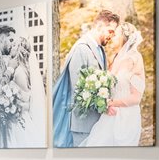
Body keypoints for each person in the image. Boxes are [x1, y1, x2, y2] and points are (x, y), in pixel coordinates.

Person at [51, 9, 119, 148]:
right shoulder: (81, 49)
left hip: (97, 122)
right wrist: (103, 105)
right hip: (83, 125)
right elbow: (78, 90)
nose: (112, 36)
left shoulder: (101, 50)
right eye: (110, 31)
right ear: (99, 26)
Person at [86, 17, 147, 145]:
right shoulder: (115, 58)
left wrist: (111, 102)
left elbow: (136, 98)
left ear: (123, 38)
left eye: (116, 35)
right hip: (109, 115)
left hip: (127, 117)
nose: (112, 38)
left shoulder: (135, 59)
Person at [0, 22, 33, 147]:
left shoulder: (0, 56)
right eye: (10, 40)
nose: (11, 45)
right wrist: (10, 68)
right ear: (2, 38)